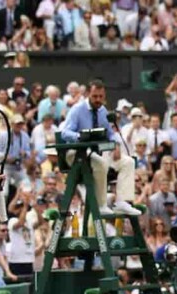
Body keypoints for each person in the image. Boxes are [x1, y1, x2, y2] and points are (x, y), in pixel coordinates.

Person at [59, 79, 140, 216]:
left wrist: (116, 145)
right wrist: (81, 136)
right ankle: (102, 204)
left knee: (128, 162)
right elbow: (65, 133)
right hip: (76, 154)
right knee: (101, 163)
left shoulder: (102, 111)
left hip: (97, 154)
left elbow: (110, 133)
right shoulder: (77, 110)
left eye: (101, 97)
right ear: (88, 94)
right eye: (94, 96)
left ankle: (123, 202)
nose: (98, 100)